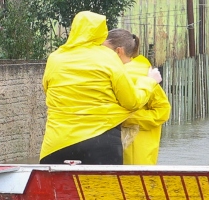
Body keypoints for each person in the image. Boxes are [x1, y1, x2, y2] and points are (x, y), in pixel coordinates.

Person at [39, 11, 161, 165]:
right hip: (101, 142)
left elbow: (47, 90)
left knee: (56, 189)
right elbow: (132, 102)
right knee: (104, 189)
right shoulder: (108, 57)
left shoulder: (55, 58)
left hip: (57, 143)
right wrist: (148, 82)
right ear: (101, 32)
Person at [105, 29, 171, 165]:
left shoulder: (142, 73)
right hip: (117, 148)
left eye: (105, 50)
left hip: (138, 151)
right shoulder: (110, 73)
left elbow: (163, 111)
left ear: (118, 51)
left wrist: (126, 119)